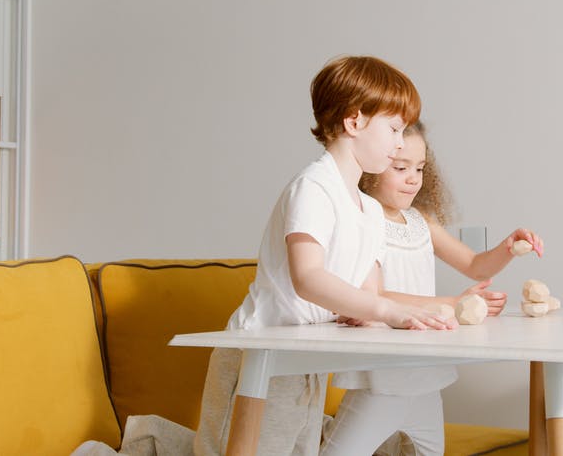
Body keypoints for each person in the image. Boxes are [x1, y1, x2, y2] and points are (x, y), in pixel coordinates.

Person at [193, 55, 455, 456]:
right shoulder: (314, 188)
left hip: (306, 361)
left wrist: (394, 312)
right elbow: (309, 277)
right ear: (354, 122)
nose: (401, 142)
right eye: (394, 128)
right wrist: (387, 312)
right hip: (260, 357)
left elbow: (368, 294)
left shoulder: (367, 209)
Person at [321, 122, 544, 456]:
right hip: (384, 377)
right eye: (400, 168)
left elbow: (474, 264)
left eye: (420, 168)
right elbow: (375, 296)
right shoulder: (364, 219)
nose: (413, 177)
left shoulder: (419, 220)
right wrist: (452, 303)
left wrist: (507, 248)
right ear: (372, 167)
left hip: (425, 376)